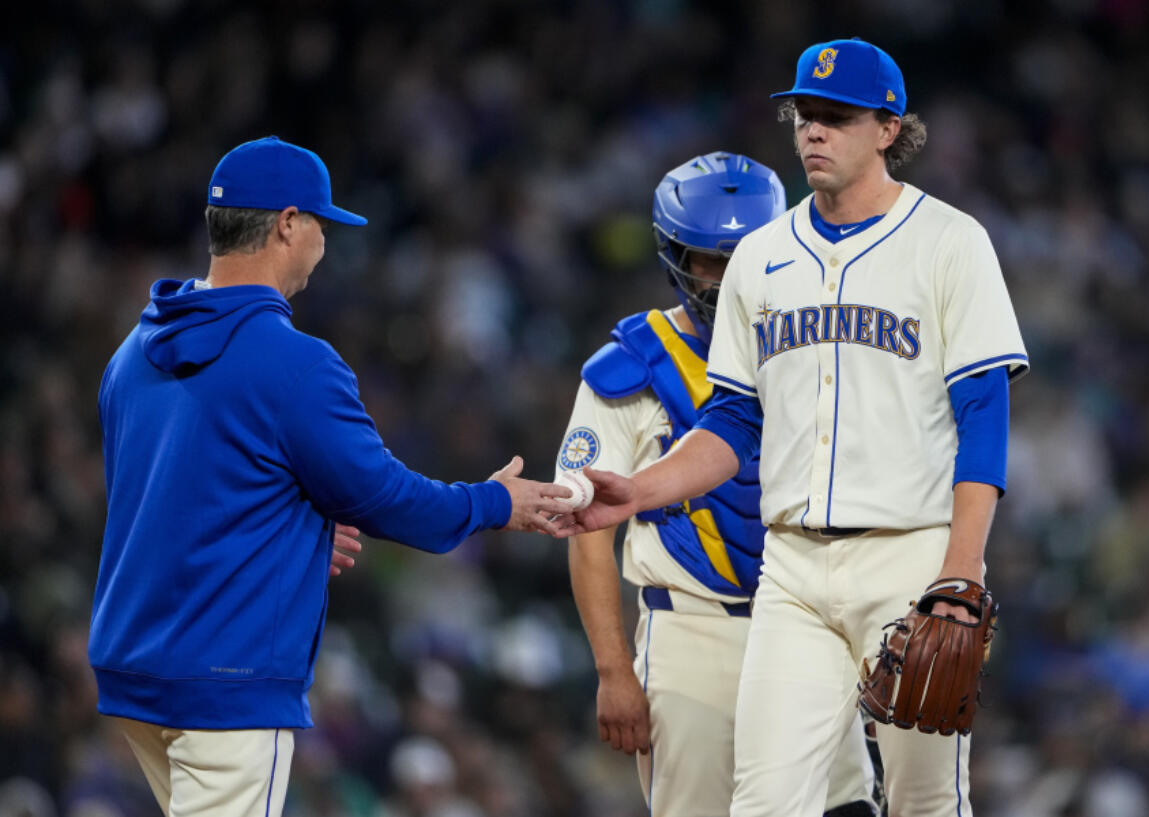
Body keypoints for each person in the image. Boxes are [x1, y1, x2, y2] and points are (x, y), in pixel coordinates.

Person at [560, 39, 1029, 816]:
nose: (813, 131)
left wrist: (961, 569)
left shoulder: (950, 241)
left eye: (835, 117)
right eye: (804, 115)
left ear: (887, 128)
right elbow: (731, 422)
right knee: (764, 802)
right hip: (793, 571)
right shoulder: (761, 256)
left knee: (924, 801)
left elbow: (984, 414)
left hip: (907, 556)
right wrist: (634, 491)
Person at [89, 136, 572, 817]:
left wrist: (300, 531)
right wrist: (494, 502)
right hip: (226, 679)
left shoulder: (132, 352)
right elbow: (387, 498)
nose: (324, 240)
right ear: (288, 223)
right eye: (320, 223)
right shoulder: (296, 362)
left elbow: (176, 498)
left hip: (132, 665)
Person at [558, 152, 878, 817]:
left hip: (810, 626)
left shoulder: (818, 343)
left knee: (850, 806)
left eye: (745, 255)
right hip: (693, 634)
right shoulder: (632, 369)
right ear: (675, 255)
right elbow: (589, 532)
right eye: (709, 258)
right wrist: (614, 671)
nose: (727, 276)